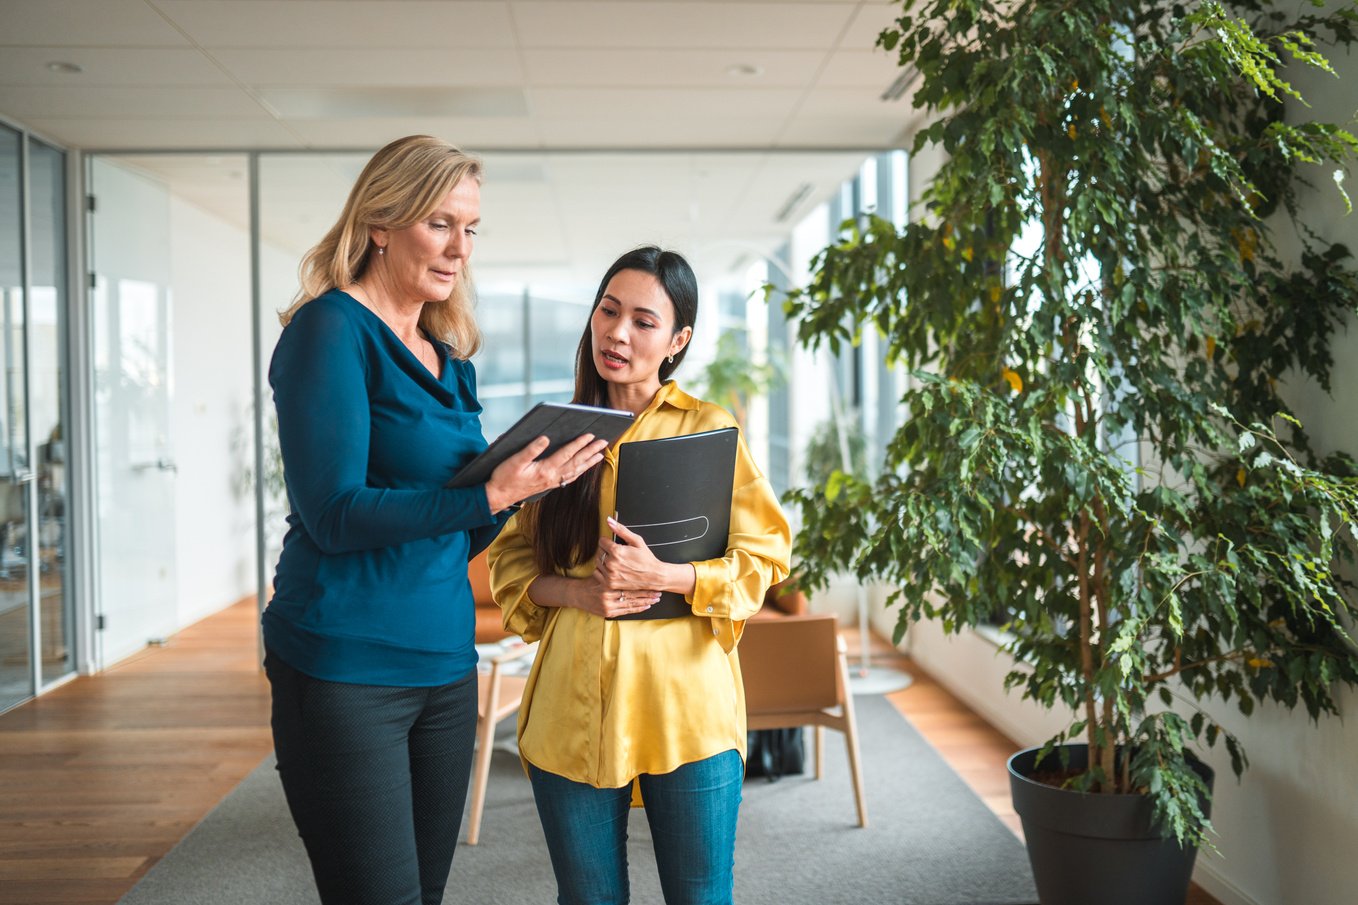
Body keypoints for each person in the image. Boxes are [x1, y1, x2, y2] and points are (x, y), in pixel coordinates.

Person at [262, 134, 608, 905]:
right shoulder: (330, 331)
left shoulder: (450, 358)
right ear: (381, 224)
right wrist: (486, 495)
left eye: (471, 229)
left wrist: (529, 485)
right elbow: (334, 515)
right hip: (345, 666)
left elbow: (459, 531)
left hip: (446, 667)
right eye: (440, 223)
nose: (459, 248)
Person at [487, 246, 792, 905]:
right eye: (608, 310)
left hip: (686, 706)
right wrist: (579, 590)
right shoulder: (551, 434)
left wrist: (671, 574)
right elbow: (509, 565)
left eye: (643, 321)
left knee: (700, 895)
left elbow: (763, 556)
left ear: (678, 340)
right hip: (571, 705)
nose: (617, 333)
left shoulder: (710, 428)